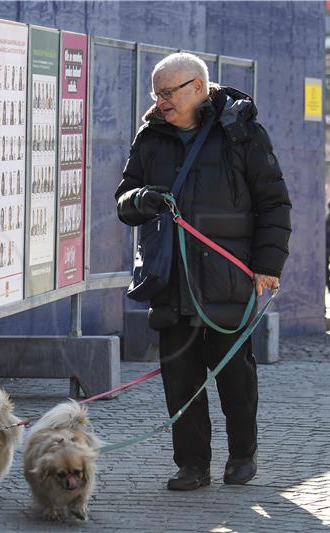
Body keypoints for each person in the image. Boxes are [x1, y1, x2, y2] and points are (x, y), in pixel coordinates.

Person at [114, 53, 291, 491]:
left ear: (197, 87)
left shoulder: (240, 131)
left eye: (168, 92)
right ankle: (192, 465)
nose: (161, 101)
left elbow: (274, 202)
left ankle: (242, 455)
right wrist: (142, 199)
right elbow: (123, 199)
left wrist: (268, 265)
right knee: (180, 378)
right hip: (171, 278)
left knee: (235, 375)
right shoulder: (150, 136)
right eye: (156, 92)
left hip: (229, 278)